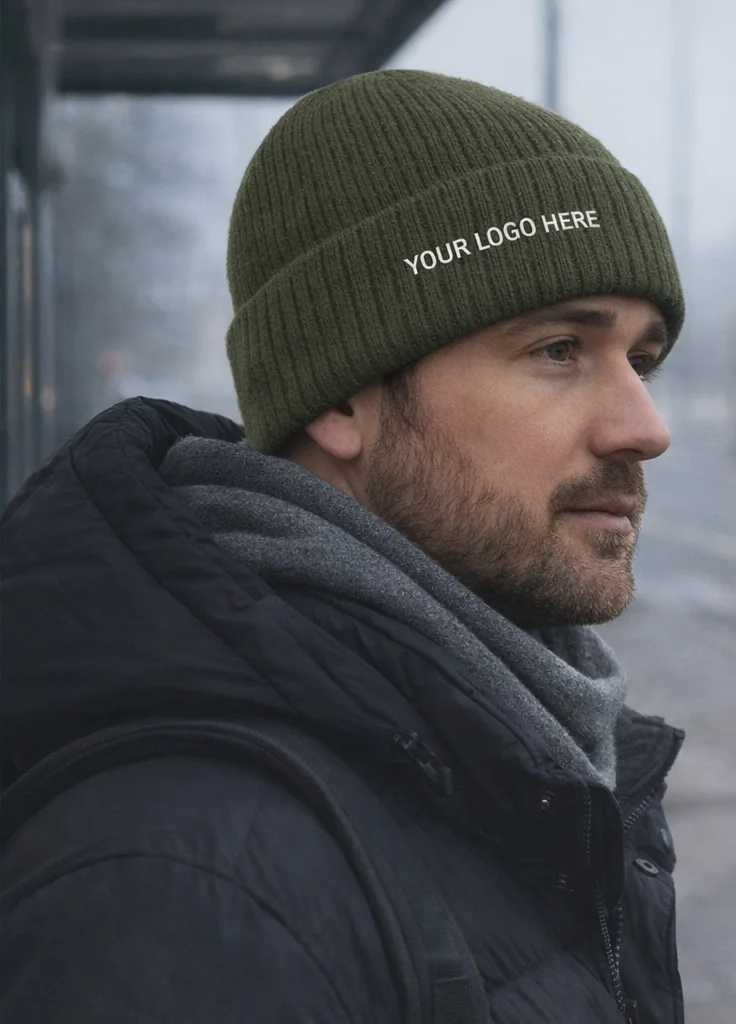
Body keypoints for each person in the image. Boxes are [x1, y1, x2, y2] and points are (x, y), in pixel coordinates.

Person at [0, 70, 686, 1023]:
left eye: (641, 359)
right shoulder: (189, 882)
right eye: (559, 349)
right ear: (340, 397)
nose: (644, 426)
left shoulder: (523, 745)